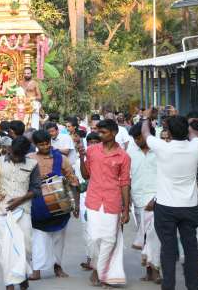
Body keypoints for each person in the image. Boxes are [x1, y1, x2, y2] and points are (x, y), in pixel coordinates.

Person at [140, 109, 198, 290]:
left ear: (168, 131)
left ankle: (168, 285)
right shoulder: (196, 146)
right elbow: (194, 134)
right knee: (191, 248)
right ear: (187, 130)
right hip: (189, 207)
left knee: (167, 249)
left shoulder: (162, 147)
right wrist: (185, 123)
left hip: (166, 208)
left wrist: (146, 117)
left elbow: (145, 132)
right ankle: (193, 285)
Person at [79, 119, 130, 287]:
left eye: (103, 132)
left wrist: (126, 210)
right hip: (93, 199)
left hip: (112, 201)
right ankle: (99, 269)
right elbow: (86, 175)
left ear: (114, 133)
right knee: (93, 238)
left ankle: (104, 275)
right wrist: (81, 157)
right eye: (98, 132)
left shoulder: (123, 156)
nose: (100, 135)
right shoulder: (92, 150)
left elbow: (125, 183)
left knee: (109, 240)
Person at [29, 130, 79, 280]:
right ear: (35, 144)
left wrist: (75, 204)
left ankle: (58, 266)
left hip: (60, 204)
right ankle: (36, 269)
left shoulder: (61, 158)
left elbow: (73, 180)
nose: (45, 147)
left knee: (59, 238)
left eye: (47, 143)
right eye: (41, 144)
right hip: (38, 205)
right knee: (38, 238)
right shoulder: (30, 159)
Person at [0, 136, 40, 290]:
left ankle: (23, 275)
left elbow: (36, 189)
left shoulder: (33, 164)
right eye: (14, 154)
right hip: (2, 210)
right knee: (5, 248)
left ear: (25, 153)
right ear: (10, 149)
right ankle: (9, 283)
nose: (16, 158)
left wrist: (20, 200)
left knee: (25, 246)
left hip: (23, 209)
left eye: (20, 156)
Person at [127, 123, 161, 284]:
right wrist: (126, 200)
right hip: (138, 200)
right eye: (135, 138)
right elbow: (127, 177)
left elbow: (166, 177)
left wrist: (156, 199)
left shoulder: (160, 151)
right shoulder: (130, 152)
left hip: (158, 200)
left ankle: (156, 269)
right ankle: (149, 270)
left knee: (155, 235)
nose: (137, 140)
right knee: (145, 236)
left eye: (139, 137)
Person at [76, 132, 101, 271]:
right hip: (86, 199)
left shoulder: (104, 157)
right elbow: (83, 179)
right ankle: (90, 258)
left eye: (96, 142)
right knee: (88, 231)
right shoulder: (81, 160)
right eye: (90, 142)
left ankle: (99, 261)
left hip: (102, 199)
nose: (93, 145)